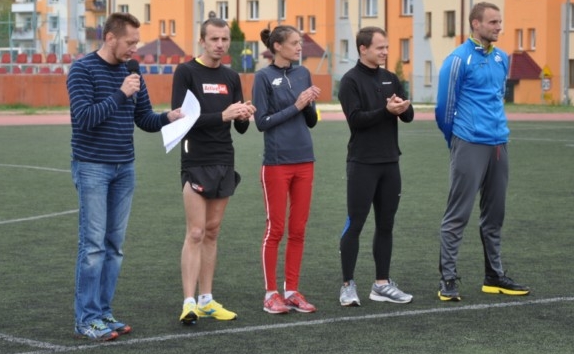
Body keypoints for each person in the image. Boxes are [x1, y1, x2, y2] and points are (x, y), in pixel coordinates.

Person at [67, 12, 182, 341]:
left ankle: (103, 312)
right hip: (92, 166)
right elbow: (84, 118)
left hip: (124, 168)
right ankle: (86, 319)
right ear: (110, 38)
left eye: (137, 43)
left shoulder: (132, 72)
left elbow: (144, 118)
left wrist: (169, 117)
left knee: (114, 246)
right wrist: (120, 94)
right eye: (130, 42)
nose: (135, 49)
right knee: (93, 246)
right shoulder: (82, 70)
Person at [435, 2, 530, 301]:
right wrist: (458, 140)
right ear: (475, 24)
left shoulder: (502, 58)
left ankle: (494, 276)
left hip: (499, 144)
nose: (499, 27)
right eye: (492, 22)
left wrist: (496, 134)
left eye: (500, 21)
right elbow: (444, 108)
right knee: (458, 214)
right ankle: (448, 279)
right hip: (469, 143)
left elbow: (497, 98)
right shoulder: (457, 60)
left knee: (495, 215)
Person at [172, 18, 255, 325]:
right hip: (195, 159)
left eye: (224, 39)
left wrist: (244, 115)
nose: (220, 44)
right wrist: (222, 115)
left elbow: (240, 128)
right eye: (214, 39)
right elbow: (181, 119)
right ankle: (188, 303)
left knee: (212, 231)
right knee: (195, 232)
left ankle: (206, 300)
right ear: (202, 41)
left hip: (224, 159)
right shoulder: (186, 72)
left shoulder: (231, 76)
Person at [337, 26, 414, 307]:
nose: (385, 52)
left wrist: (402, 107)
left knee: (386, 224)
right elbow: (356, 119)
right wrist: (385, 111)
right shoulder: (350, 81)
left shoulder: (391, 78)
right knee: (355, 223)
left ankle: (381, 284)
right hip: (362, 163)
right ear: (363, 49)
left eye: (386, 47)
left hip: (390, 162)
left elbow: (409, 116)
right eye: (380, 47)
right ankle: (348, 285)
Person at [252, 26, 321, 314]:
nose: (299, 47)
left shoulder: (303, 73)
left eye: (299, 42)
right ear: (277, 46)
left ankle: (291, 290)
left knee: (298, 229)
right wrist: (297, 104)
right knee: (276, 229)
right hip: (277, 163)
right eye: (294, 43)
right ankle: (271, 294)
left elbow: (311, 121)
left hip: (305, 159)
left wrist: (309, 104)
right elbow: (262, 122)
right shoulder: (263, 77)